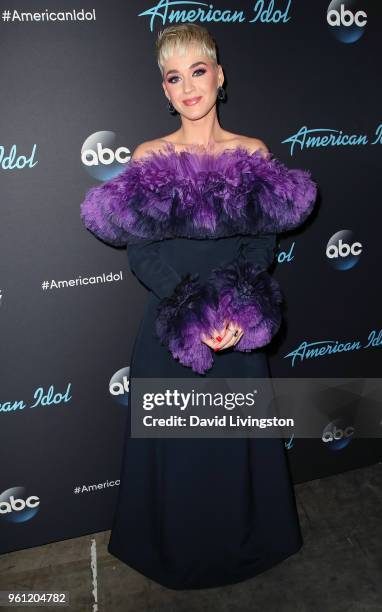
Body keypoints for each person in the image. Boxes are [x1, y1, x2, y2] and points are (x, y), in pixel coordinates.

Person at [80, 24, 317, 590]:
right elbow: (141, 253)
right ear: (164, 91)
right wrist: (190, 309)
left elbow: (262, 244)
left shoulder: (252, 153)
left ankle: (247, 545)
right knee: (178, 450)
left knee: (232, 447)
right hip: (172, 325)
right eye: (173, 76)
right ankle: (172, 553)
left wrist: (237, 311)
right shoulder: (149, 157)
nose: (187, 86)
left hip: (240, 323)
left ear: (220, 75)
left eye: (198, 70)